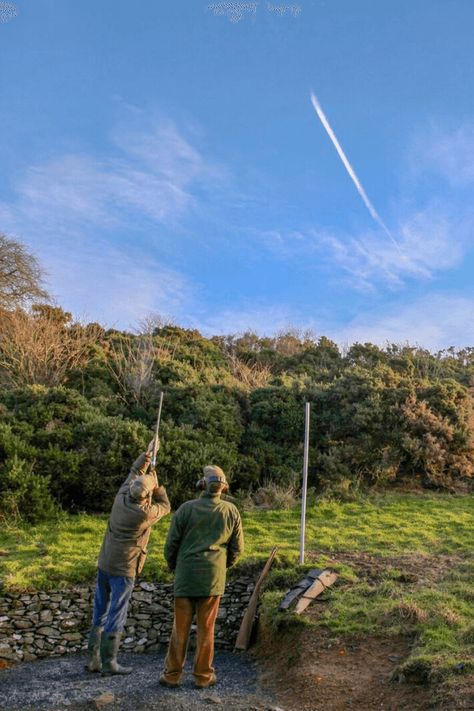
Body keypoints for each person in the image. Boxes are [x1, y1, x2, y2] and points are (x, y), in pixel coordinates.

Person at [86, 439, 170, 675]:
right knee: (117, 613)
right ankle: (109, 662)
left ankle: (93, 660)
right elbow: (166, 506)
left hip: (105, 562)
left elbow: (135, 472)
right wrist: (157, 486)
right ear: (145, 497)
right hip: (124, 569)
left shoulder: (122, 495)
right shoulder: (142, 515)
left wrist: (148, 455)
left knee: (100, 609)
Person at [160, 465, 244, 689]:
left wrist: (174, 566)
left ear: (202, 484)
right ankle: (203, 677)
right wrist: (221, 566)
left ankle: (172, 675)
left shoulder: (186, 509)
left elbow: (171, 546)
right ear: (223, 487)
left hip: (186, 576)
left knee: (180, 630)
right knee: (207, 630)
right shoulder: (231, 511)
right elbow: (237, 549)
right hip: (212, 580)